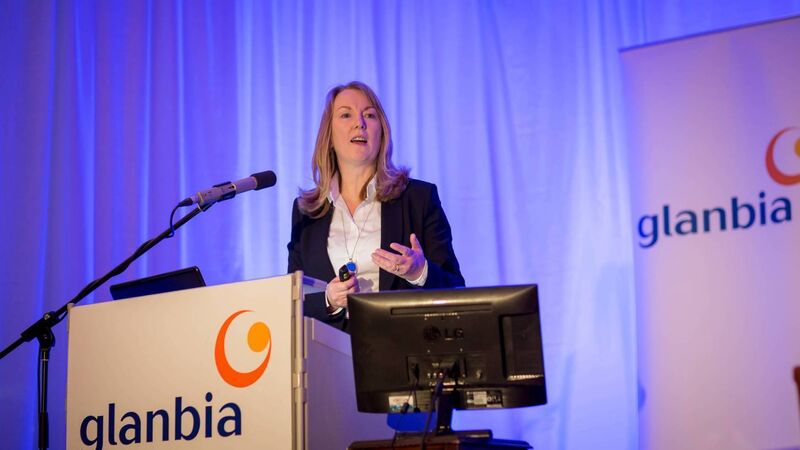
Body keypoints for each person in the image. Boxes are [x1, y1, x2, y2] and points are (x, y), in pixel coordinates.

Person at [288, 81, 464, 331]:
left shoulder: (418, 198)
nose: (359, 123)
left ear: (381, 133)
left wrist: (419, 272)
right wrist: (329, 301)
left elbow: (455, 288)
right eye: (346, 115)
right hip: (329, 351)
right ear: (329, 136)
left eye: (369, 115)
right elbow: (292, 302)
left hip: (399, 346)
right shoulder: (306, 212)